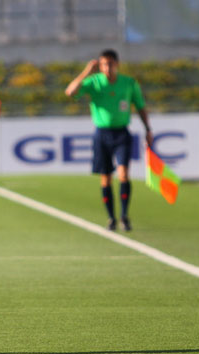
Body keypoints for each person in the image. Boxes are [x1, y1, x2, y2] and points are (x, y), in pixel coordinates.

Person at [65, 49, 153, 231]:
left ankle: (124, 216)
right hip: (102, 134)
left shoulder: (128, 83)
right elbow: (70, 92)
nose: (107, 68)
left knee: (123, 174)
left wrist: (148, 129)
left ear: (117, 64)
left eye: (110, 64)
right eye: (104, 64)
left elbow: (140, 106)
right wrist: (86, 72)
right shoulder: (94, 82)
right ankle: (111, 218)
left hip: (122, 134)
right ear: (99, 65)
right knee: (106, 178)